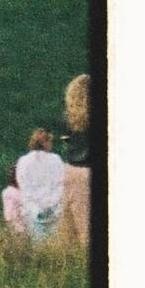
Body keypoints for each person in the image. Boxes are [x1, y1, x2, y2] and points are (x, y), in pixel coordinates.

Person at [2, 128, 69, 243]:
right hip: (54, 207)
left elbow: (22, 183)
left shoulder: (23, 161)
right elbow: (62, 181)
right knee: (55, 242)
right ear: (45, 142)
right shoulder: (56, 159)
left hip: (33, 208)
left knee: (37, 243)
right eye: (50, 141)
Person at [57, 75, 94, 249]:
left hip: (69, 170)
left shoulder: (68, 117)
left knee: (67, 234)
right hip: (87, 173)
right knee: (87, 234)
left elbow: (66, 141)